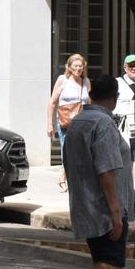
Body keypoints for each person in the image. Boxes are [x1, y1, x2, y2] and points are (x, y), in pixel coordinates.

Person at [42, 74, 135, 269]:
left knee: (101, 263)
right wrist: (116, 212)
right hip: (105, 207)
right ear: (115, 98)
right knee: (113, 262)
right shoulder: (104, 123)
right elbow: (106, 170)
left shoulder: (79, 120)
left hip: (85, 203)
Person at [46, 53, 91, 191]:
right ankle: (68, 179)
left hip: (82, 123)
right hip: (65, 122)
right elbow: (52, 102)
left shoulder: (86, 81)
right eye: (75, 66)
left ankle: (65, 177)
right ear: (69, 67)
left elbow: (89, 102)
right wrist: (50, 123)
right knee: (67, 150)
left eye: (81, 66)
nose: (78, 68)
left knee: (81, 152)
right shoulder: (62, 80)